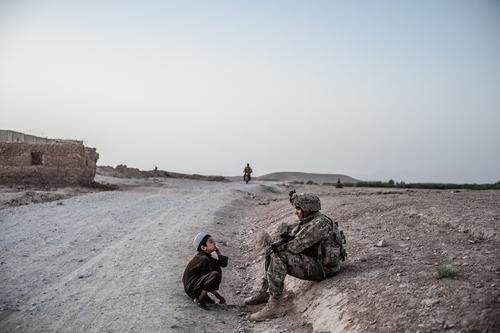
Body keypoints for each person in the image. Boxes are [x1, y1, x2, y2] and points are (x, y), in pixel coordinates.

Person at [245, 191, 347, 321]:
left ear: (308, 208)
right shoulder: (310, 220)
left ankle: (275, 304)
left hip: (325, 269)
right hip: (317, 261)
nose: (296, 212)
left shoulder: (319, 224)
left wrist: (277, 246)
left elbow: (295, 246)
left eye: (298, 208)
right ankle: (265, 292)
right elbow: (293, 237)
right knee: (272, 252)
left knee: (279, 256)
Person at [182, 232, 228, 310]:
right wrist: (218, 296)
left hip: (195, 285)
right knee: (215, 275)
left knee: (216, 268)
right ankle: (199, 299)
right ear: (203, 247)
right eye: (211, 242)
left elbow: (223, 264)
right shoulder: (203, 259)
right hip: (191, 288)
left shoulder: (207, 257)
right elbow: (208, 280)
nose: (214, 243)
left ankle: (203, 296)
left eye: (214, 241)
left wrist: (218, 252)